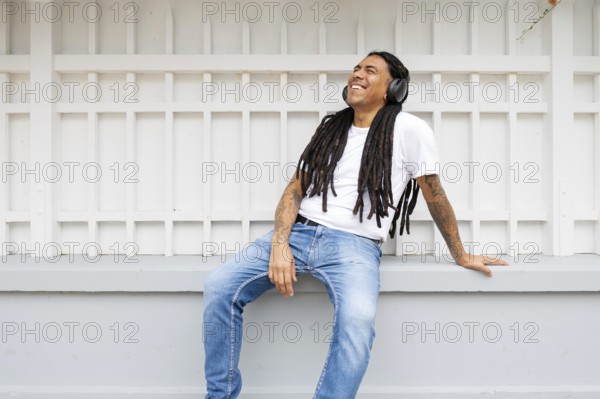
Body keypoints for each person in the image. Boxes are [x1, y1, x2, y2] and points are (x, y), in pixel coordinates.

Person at [202, 51, 509, 399]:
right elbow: (295, 188)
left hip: (355, 245)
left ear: (394, 88)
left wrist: (460, 253)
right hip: (300, 231)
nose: (357, 75)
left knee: (357, 322)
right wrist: (279, 244)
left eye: (370, 70)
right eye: (356, 69)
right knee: (218, 287)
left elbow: (433, 192)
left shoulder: (408, 128)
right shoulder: (331, 127)